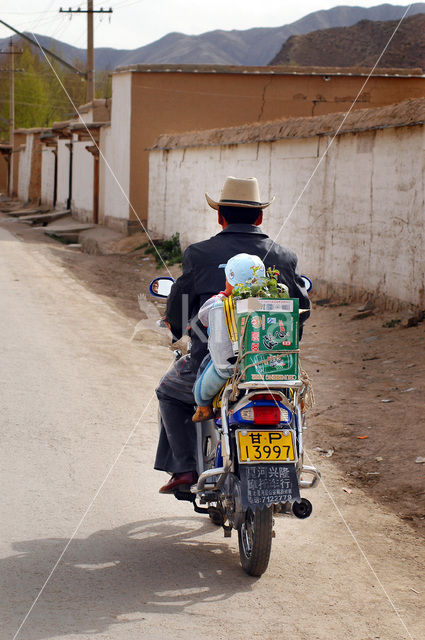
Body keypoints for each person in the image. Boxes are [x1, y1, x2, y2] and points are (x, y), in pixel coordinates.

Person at [155, 176, 310, 494]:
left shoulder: (199, 254)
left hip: (211, 362)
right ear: (260, 216)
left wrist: (174, 327)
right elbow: (301, 313)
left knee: (169, 392)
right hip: (273, 365)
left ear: (219, 216)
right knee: (294, 401)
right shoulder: (284, 258)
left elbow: (181, 309)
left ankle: (184, 470)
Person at [192, 253, 266, 422]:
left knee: (201, 386)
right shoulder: (266, 303)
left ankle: (203, 408)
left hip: (228, 366)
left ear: (230, 280)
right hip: (265, 367)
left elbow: (203, 317)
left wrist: (223, 295)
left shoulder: (219, 304)